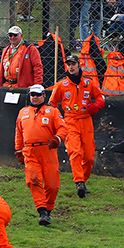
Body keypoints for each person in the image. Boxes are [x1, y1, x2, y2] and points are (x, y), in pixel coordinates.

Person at [49, 55, 105, 198]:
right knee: (75, 152)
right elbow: (52, 105)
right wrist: (58, 120)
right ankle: (79, 182)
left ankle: (83, 181)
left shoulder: (88, 82)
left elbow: (101, 97)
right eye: (68, 64)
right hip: (70, 121)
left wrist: (96, 106)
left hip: (86, 121)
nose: (71, 67)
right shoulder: (61, 85)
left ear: (78, 65)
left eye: (73, 64)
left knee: (89, 156)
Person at [15, 84, 68, 226]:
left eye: (38, 95)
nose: (35, 97)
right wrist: (19, 150)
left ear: (44, 95)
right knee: (33, 180)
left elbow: (63, 128)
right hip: (30, 152)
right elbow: (19, 133)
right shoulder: (23, 112)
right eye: (33, 95)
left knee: (52, 185)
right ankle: (42, 211)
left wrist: (57, 139)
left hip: (48, 151)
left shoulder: (52, 111)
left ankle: (48, 209)